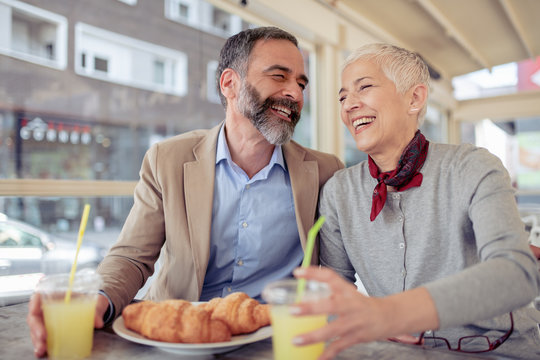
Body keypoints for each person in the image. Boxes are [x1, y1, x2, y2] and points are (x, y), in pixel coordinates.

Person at [27, 26, 343, 357]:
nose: (295, 92)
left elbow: (338, 277)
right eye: (279, 76)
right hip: (173, 341)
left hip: (273, 342)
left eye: (301, 83)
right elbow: (133, 255)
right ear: (229, 83)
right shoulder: (168, 159)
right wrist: (98, 298)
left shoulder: (324, 171)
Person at [291, 43, 540, 360]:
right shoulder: (339, 192)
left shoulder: (473, 166)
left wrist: (392, 313)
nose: (349, 105)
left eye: (364, 87)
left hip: (500, 352)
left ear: (415, 98)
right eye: (342, 97)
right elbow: (334, 294)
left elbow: (516, 274)